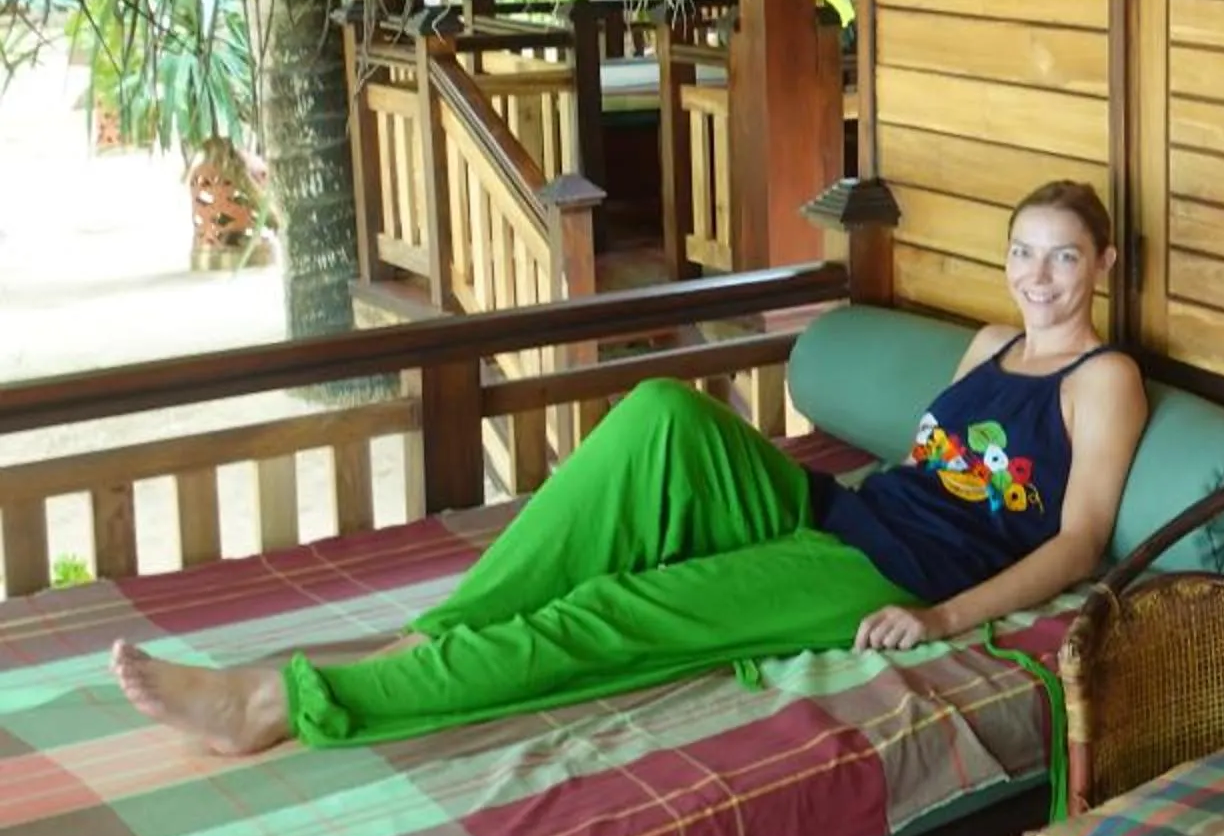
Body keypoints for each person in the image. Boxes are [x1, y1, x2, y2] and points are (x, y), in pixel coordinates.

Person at [112, 180, 1148, 756]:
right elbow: (926, 463)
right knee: (659, 409)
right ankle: (440, 631)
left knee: (614, 606)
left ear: (1101, 265)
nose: (1039, 277)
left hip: (895, 573)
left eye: (1064, 256)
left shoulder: (1105, 379)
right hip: (844, 507)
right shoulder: (985, 345)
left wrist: (943, 620)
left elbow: (1080, 538)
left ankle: (282, 702)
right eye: (1024, 251)